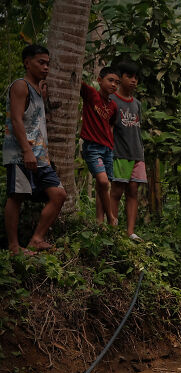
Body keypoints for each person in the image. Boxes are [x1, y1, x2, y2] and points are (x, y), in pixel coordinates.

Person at [4, 44, 66, 255]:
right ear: (27, 62)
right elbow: (16, 119)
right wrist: (26, 150)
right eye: (41, 62)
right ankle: (13, 247)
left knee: (58, 195)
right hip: (21, 154)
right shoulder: (20, 86)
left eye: (48, 63)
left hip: (40, 156)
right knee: (17, 196)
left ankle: (36, 239)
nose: (46, 67)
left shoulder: (38, 89)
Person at [109, 61, 147, 242]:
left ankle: (130, 232)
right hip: (120, 153)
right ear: (120, 78)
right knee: (116, 191)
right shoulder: (112, 101)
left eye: (136, 78)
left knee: (133, 191)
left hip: (137, 154)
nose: (133, 81)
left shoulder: (137, 104)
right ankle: (112, 230)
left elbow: (137, 130)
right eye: (129, 77)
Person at [80, 66, 120, 225]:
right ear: (99, 80)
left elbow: (110, 124)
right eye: (110, 80)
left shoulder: (113, 106)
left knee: (102, 186)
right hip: (92, 147)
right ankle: (110, 217)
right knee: (103, 182)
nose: (114, 85)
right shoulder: (91, 94)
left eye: (117, 82)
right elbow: (77, 81)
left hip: (108, 149)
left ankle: (99, 221)